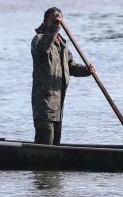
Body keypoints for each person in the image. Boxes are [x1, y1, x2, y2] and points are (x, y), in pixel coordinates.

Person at [31, 7, 95, 145]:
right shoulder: (39, 39)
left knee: (55, 144)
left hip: (58, 105)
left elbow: (71, 67)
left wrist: (87, 70)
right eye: (53, 20)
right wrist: (54, 27)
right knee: (45, 142)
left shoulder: (62, 45)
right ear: (45, 22)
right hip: (44, 104)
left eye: (58, 20)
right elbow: (43, 48)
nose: (57, 23)